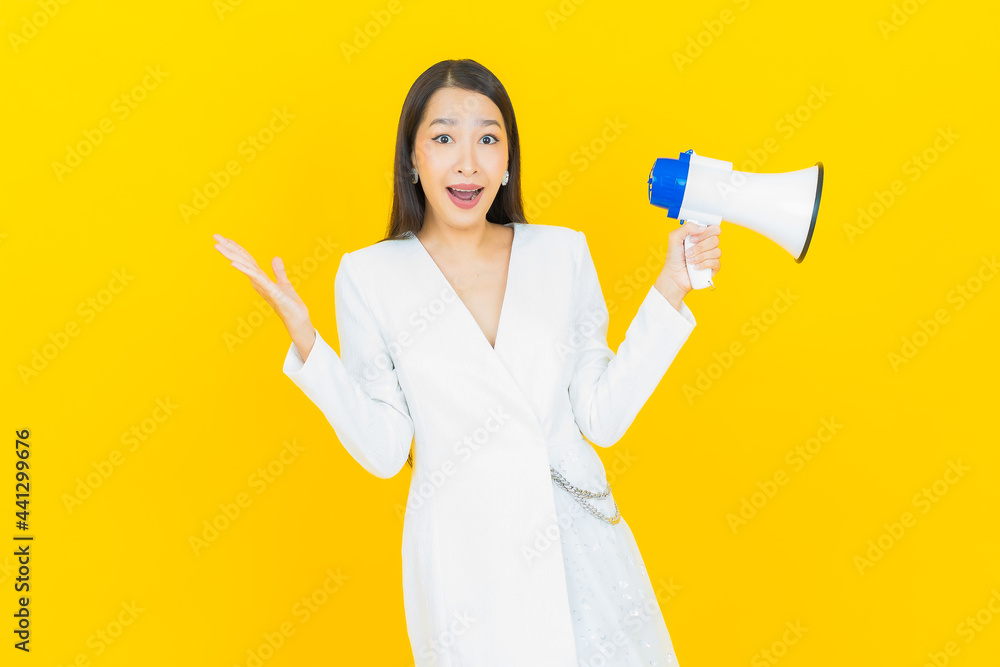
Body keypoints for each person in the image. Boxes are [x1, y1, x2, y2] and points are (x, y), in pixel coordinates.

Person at [213, 59, 721, 667]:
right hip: (466, 572)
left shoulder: (562, 253)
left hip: (575, 552)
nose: (467, 161)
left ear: (508, 162)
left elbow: (601, 416)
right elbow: (383, 449)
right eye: (444, 137)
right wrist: (306, 340)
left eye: (488, 138)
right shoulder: (371, 275)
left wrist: (671, 286)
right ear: (412, 160)